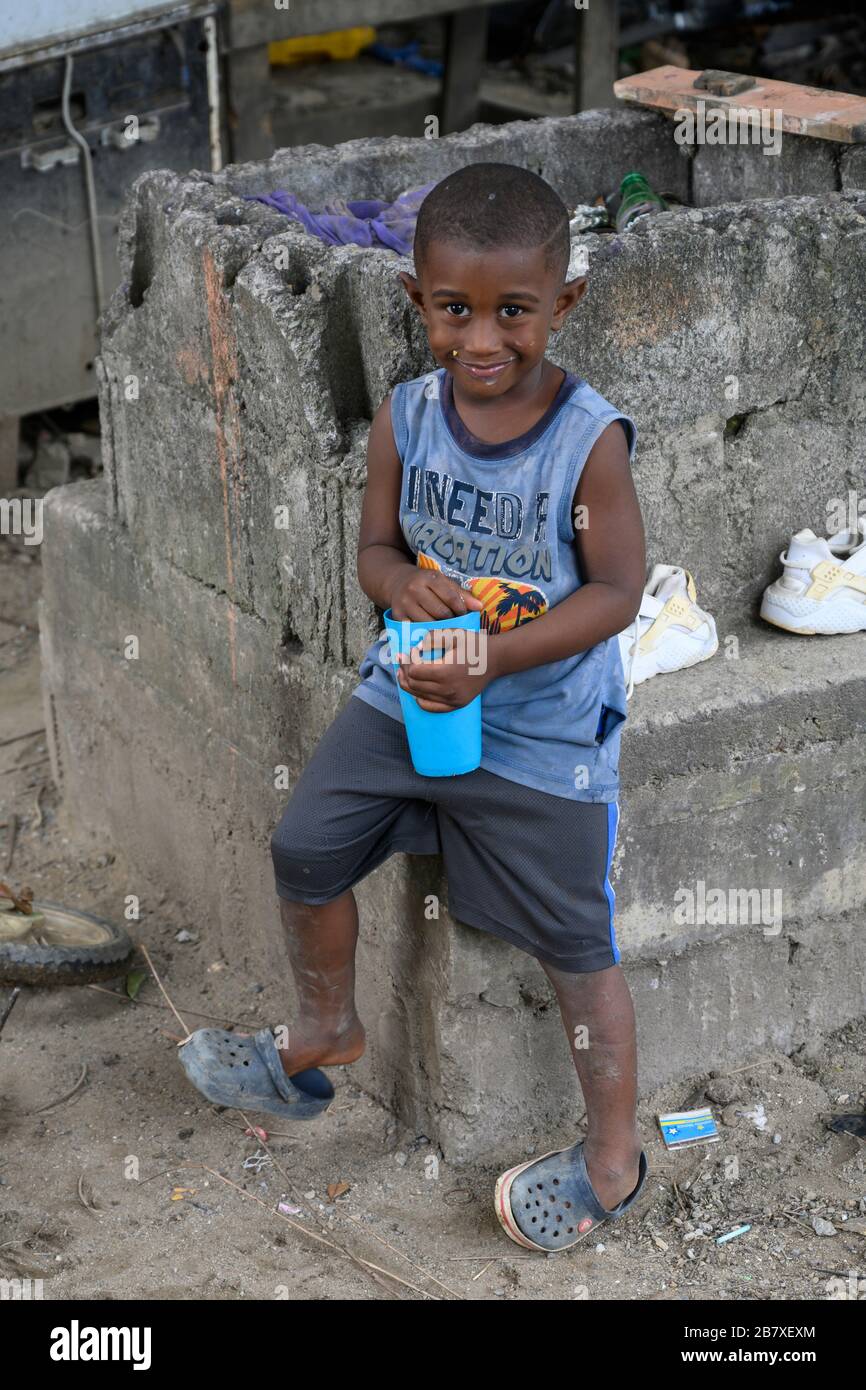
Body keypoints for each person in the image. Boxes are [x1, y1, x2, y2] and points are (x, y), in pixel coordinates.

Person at [179, 162, 649, 1252]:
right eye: (453, 309)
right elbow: (376, 552)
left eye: (512, 312)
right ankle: (325, 1027)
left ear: (561, 305)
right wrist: (400, 590)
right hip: (413, 693)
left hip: (537, 728)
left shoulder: (588, 442)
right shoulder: (404, 418)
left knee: (577, 940)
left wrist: (496, 657)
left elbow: (617, 593)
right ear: (416, 300)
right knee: (304, 843)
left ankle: (612, 1156)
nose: (480, 340)